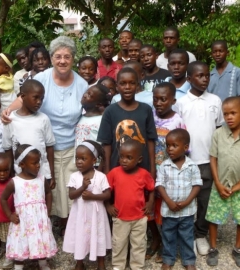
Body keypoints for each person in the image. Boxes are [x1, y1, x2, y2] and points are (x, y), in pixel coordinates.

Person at [1, 36, 88, 232]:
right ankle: (42, 228)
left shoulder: (82, 84)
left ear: (73, 58)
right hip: (43, 149)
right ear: (51, 57)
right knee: (47, 190)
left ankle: (71, 230)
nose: (62, 61)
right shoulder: (41, 79)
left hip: (71, 146)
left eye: (67, 56)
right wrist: (7, 112)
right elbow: (23, 99)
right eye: (58, 56)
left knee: (69, 190)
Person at [175, 61, 224, 256]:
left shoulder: (215, 101)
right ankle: (185, 236)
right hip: (186, 161)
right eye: (199, 76)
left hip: (207, 161)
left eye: (207, 75)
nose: (205, 79)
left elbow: (219, 129)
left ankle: (200, 234)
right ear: (189, 79)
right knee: (184, 199)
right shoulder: (181, 102)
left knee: (205, 199)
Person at [0, 144, 57, 270]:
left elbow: (48, 193)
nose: (38, 165)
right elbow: (3, 199)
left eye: (39, 162)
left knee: (41, 238)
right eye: (34, 163)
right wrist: (10, 215)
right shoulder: (15, 182)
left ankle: (42, 262)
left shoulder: (41, 179)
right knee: (21, 240)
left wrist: (47, 210)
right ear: (22, 164)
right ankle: (18, 265)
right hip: (22, 220)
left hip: (39, 219)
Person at [147, 82, 186, 263]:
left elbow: (185, 149)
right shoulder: (150, 116)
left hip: (168, 175)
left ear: (173, 100)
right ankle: (154, 239)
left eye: (163, 99)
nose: (159, 103)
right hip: (149, 169)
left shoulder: (177, 120)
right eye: (156, 99)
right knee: (149, 208)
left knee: (164, 210)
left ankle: (165, 243)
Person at [156, 129, 202, 270]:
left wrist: (187, 201)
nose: (170, 149)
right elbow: (159, 184)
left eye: (174, 145)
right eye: (168, 145)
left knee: (187, 236)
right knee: (168, 235)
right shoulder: (164, 166)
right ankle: (168, 259)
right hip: (169, 210)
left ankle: (188, 260)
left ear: (185, 147)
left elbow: (197, 185)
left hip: (187, 211)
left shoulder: (192, 166)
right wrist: (169, 201)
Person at [97, 67, 157, 176]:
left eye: (132, 83)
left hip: (142, 170)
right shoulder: (110, 111)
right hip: (117, 170)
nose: (127, 87)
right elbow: (106, 144)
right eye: (123, 83)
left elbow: (151, 141)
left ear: (137, 85)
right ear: (117, 86)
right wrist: (107, 171)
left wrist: (152, 169)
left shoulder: (146, 110)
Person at [106, 139, 155, 270]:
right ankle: (118, 266)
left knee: (139, 243)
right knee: (119, 243)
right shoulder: (114, 173)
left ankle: (137, 266)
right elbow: (105, 190)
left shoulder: (144, 174)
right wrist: (108, 205)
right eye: (122, 156)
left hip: (139, 217)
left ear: (139, 160)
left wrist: (150, 203)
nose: (124, 160)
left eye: (129, 157)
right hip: (120, 217)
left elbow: (151, 189)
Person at [63, 140, 111, 270]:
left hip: (97, 216)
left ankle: (101, 262)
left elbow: (107, 195)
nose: (79, 161)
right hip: (80, 215)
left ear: (93, 160)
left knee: (99, 235)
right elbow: (71, 195)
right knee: (80, 236)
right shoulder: (74, 176)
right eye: (77, 158)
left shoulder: (100, 176)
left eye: (83, 158)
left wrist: (93, 196)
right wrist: (82, 187)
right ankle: (79, 263)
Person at [205, 96, 240, 267]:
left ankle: (238, 248)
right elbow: (213, 159)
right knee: (213, 218)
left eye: (233, 113)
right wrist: (218, 183)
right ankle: (213, 248)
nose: (229, 117)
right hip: (219, 185)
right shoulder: (218, 134)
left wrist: (236, 187)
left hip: (239, 187)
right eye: (225, 114)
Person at [2, 79, 55, 188]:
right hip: (20, 176)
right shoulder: (10, 120)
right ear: (23, 96)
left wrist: (52, 175)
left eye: (41, 98)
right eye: (35, 97)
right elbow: (7, 149)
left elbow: (49, 147)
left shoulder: (43, 119)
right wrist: (11, 172)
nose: (39, 102)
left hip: (42, 174)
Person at [75, 84, 111, 148]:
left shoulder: (101, 121)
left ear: (98, 104)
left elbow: (105, 144)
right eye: (86, 92)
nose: (85, 95)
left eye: (90, 95)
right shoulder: (80, 116)